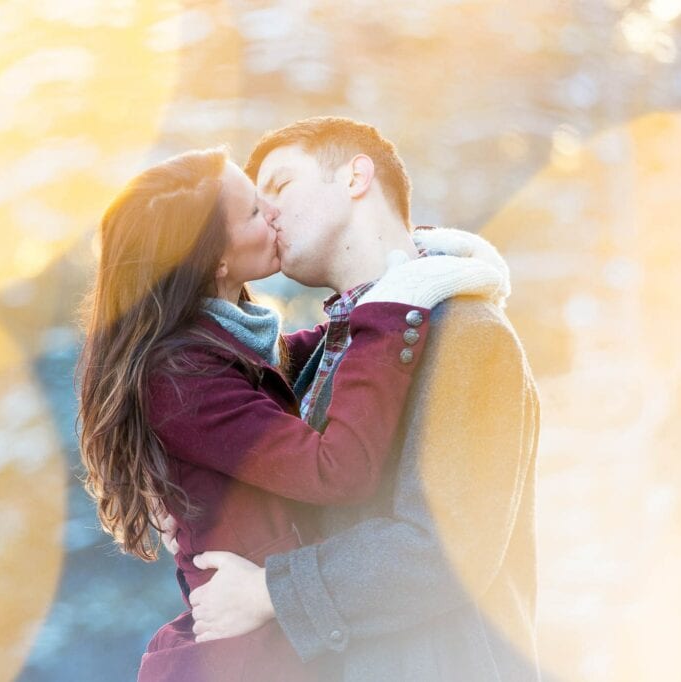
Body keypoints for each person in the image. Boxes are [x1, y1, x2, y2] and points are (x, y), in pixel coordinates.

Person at [77, 146, 510, 681]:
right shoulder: (182, 375)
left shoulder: (227, 346)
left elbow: (326, 353)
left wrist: (431, 260)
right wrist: (397, 303)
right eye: (255, 211)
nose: (272, 213)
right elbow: (336, 468)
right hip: (249, 662)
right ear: (214, 259)